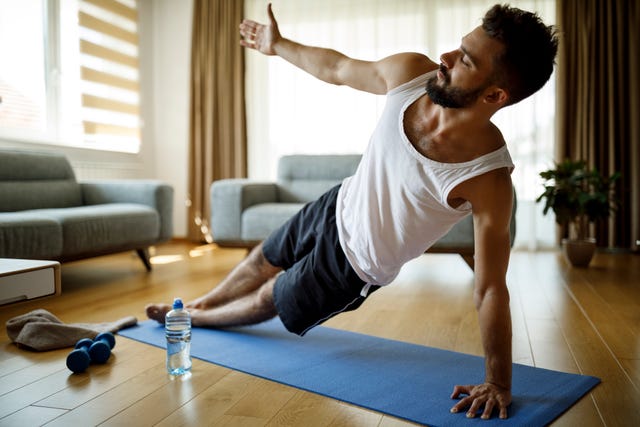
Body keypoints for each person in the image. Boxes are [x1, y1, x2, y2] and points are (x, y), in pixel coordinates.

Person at [147, 3, 557, 420]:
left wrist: (499, 382)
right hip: (336, 204)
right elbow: (337, 68)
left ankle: (199, 320)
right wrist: (278, 45)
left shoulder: (488, 178)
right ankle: (196, 305)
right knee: (262, 258)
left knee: (270, 296)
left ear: (494, 95)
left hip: (353, 266)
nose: (446, 59)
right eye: (458, 47)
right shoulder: (411, 74)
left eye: (465, 60)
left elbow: (490, 288)